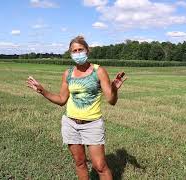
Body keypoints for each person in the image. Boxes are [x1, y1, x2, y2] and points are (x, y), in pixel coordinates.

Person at [26, 35, 126, 180]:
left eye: (81, 50)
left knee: (100, 166)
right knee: (79, 162)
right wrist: (42, 91)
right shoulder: (68, 73)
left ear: (87, 50)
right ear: (70, 53)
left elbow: (111, 101)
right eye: (74, 51)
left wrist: (115, 90)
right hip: (70, 124)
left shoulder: (98, 71)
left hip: (92, 124)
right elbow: (61, 100)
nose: (78, 53)